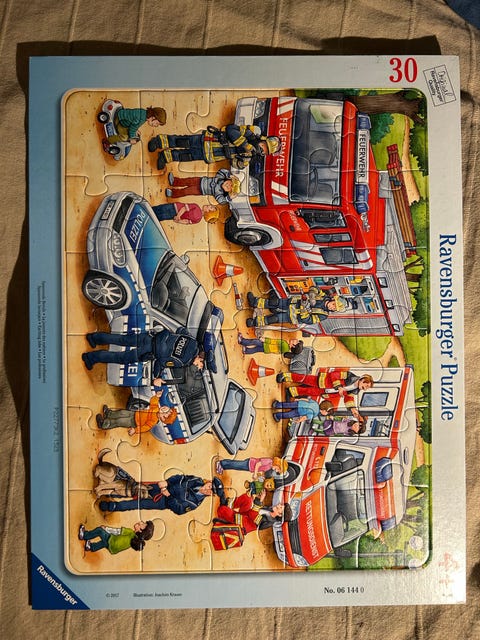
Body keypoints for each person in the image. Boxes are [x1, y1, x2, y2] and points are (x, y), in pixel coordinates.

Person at [81, 327, 203, 381]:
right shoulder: (183, 362)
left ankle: (94, 337)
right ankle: (90, 357)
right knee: (120, 357)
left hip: (150, 337)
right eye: (200, 366)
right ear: (201, 359)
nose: (198, 367)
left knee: (122, 339)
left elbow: (180, 330)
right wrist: (157, 376)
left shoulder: (192, 341)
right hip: (148, 351)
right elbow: (161, 362)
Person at [147, 123, 281, 170]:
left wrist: (242, 162)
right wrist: (245, 144)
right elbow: (231, 129)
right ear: (262, 140)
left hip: (210, 155)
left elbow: (235, 164)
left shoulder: (249, 156)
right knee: (182, 141)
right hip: (207, 140)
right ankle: (159, 141)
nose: (262, 149)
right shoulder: (249, 134)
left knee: (185, 156)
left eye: (265, 151)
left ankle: (165, 157)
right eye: (263, 145)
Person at [277, 367, 374, 419]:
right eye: (366, 386)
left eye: (367, 388)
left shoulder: (355, 391)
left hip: (326, 392)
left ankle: (290, 391)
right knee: (304, 379)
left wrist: (352, 408)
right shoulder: (350, 376)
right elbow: (334, 375)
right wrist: (339, 386)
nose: (365, 389)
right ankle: (285, 376)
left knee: (308, 391)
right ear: (362, 380)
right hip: (323, 381)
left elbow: (348, 398)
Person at [99, 475, 224, 515]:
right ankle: (109, 493)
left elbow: (179, 510)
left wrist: (169, 496)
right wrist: (167, 482)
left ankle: (112, 506)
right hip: (160, 487)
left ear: (211, 495)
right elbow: (180, 477)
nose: (208, 489)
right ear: (209, 482)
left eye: (211, 491)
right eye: (210, 486)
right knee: (134, 489)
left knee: (136, 504)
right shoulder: (196, 479)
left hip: (161, 501)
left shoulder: (195, 503)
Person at [95, 394, 178, 436]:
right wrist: (157, 396)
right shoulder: (156, 408)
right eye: (166, 410)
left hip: (133, 422)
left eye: (165, 414)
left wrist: (135, 430)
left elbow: (145, 428)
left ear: (163, 419)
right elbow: (153, 402)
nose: (164, 411)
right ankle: (109, 414)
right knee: (121, 412)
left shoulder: (153, 421)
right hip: (134, 413)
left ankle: (104, 424)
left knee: (119, 421)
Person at [215, 490, 292, 535]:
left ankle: (224, 508)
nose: (279, 505)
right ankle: (227, 503)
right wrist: (258, 498)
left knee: (222, 510)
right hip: (245, 515)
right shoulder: (270, 509)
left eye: (281, 507)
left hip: (242, 524)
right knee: (247, 498)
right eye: (281, 505)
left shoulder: (269, 522)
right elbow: (254, 509)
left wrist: (259, 501)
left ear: (280, 514)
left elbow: (253, 515)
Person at [165, 169, 241, 205]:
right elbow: (221, 171)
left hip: (200, 190)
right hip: (200, 180)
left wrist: (229, 198)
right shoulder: (220, 178)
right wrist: (230, 175)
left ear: (228, 192)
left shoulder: (219, 193)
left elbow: (221, 201)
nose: (228, 185)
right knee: (186, 181)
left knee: (186, 191)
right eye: (230, 183)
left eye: (230, 188)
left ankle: (172, 193)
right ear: (228, 179)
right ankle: (174, 181)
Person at [78, 520, 154, 553]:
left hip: (112, 541)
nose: (140, 522)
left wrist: (106, 528)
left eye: (142, 524)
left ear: (140, 531)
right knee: (104, 543)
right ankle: (91, 547)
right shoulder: (134, 540)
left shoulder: (130, 532)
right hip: (113, 549)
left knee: (100, 531)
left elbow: (117, 531)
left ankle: (84, 535)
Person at [237, 332, 303, 357]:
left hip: (266, 345)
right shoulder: (286, 349)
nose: (296, 339)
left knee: (254, 341)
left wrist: (264, 340)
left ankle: (242, 341)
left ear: (293, 346)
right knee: (256, 349)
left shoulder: (284, 344)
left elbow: (273, 341)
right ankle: (246, 351)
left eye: (296, 341)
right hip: (267, 350)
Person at [215, 456, 288, 478]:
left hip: (250, 468)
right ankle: (221, 463)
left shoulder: (270, 466)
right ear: (278, 464)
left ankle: (223, 467)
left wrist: (261, 475)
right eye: (278, 469)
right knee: (236, 464)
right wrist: (255, 473)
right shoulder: (269, 461)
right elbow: (258, 464)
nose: (276, 470)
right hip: (250, 463)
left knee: (236, 467)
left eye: (278, 471)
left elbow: (261, 469)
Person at [151, 201, 219, 225]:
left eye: (210, 207)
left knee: (158, 209)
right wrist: (178, 220)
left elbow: (184, 208)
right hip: (174, 215)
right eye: (211, 206)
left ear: (208, 213)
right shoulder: (198, 220)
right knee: (160, 216)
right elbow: (186, 221)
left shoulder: (196, 207)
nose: (209, 205)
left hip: (174, 207)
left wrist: (178, 217)